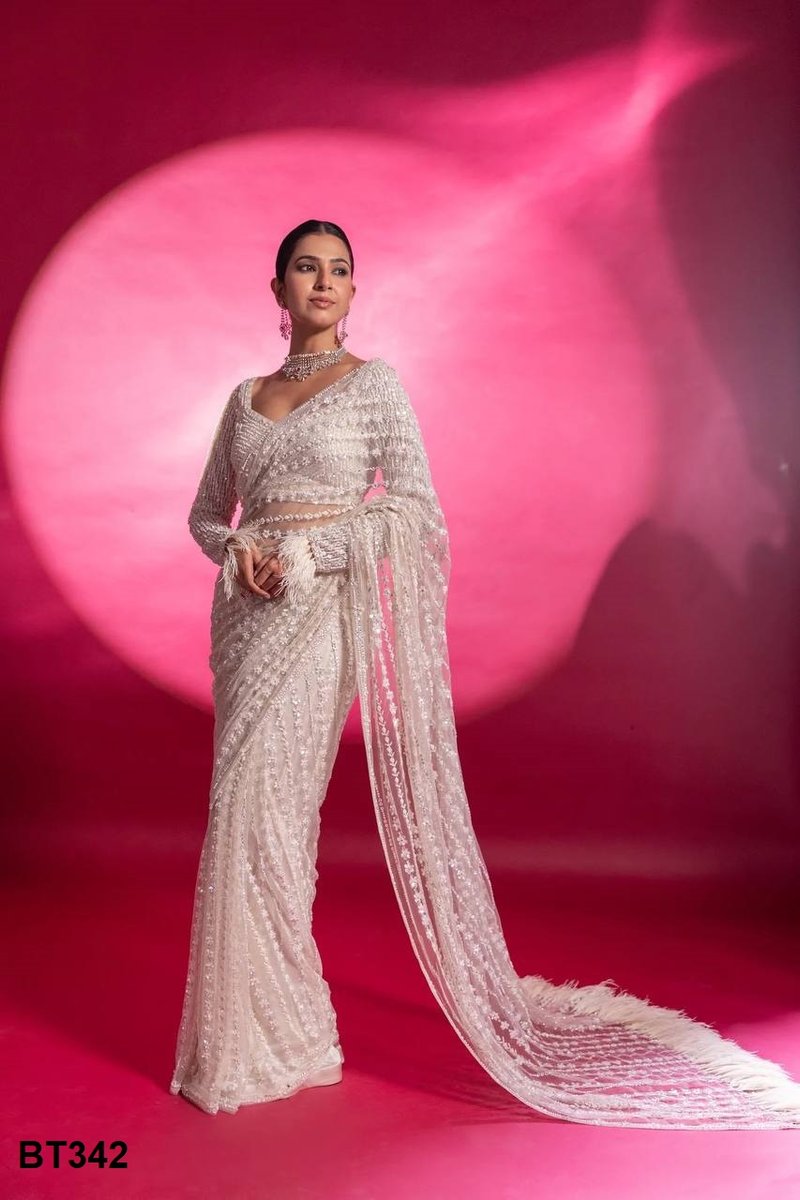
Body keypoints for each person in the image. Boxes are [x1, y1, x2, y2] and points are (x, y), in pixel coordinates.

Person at [169, 219, 800, 1128]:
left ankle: (278, 1038)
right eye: (306, 268)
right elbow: (205, 517)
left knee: (274, 815)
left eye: (339, 270)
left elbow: (416, 514)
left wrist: (313, 552)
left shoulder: (374, 387)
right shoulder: (245, 399)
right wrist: (240, 552)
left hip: (319, 617)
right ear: (278, 289)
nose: (324, 282)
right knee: (240, 812)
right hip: (246, 623)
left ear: (353, 291)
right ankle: (272, 1035)